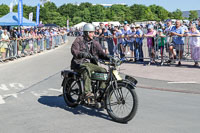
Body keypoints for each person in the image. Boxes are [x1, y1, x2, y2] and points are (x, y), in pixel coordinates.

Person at [71, 23, 109, 100]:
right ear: (86, 32)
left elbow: (101, 53)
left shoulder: (94, 42)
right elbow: (74, 51)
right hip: (79, 63)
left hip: (90, 64)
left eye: (93, 32)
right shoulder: (79, 40)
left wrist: (110, 58)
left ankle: (101, 91)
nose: (93, 34)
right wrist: (83, 54)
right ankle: (87, 93)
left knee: (103, 71)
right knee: (86, 70)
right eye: (91, 32)